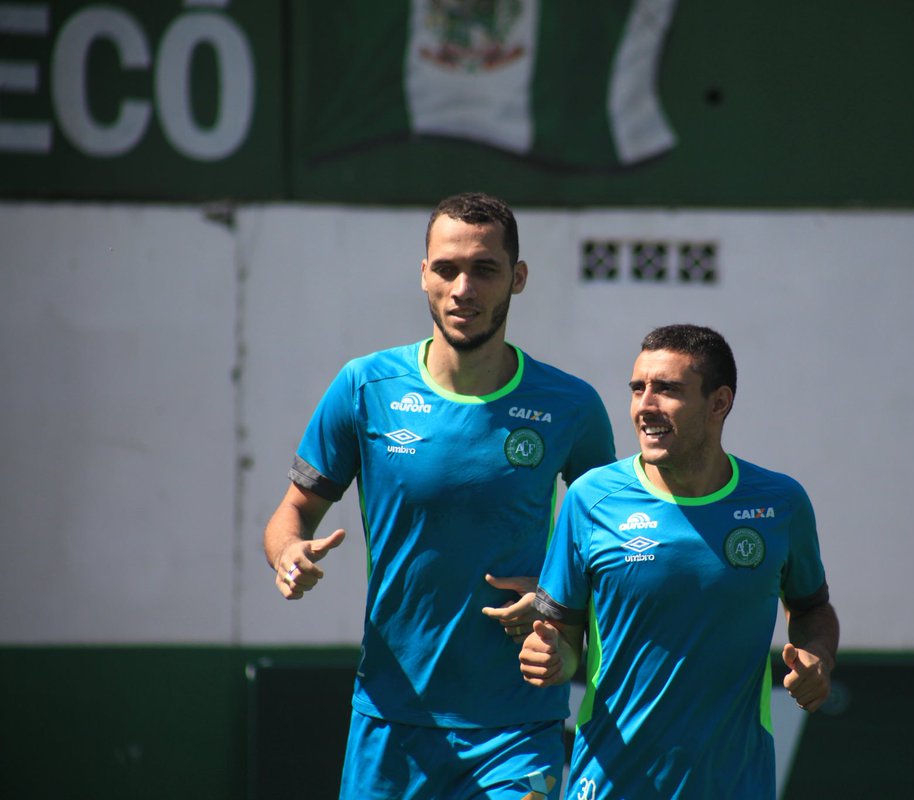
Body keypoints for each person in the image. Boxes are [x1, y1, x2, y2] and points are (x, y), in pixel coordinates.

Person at [263, 191, 616, 800]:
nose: (463, 288)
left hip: (518, 724)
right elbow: (290, 515)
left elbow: (609, 556)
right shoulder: (364, 387)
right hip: (391, 722)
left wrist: (561, 613)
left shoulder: (572, 407)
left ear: (518, 278)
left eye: (484, 269)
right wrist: (288, 555)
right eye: (447, 268)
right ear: (423, 273)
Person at [518, 323, 839, 799]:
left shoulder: (781, 503)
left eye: (667, 389)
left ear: (719, 403)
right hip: (611, 783)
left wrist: (818, 658)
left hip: (734, 783)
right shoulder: (591, 499)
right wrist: (551, 657)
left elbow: (811, 608)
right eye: (637, 388)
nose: (646, 405)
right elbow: (563, 640)